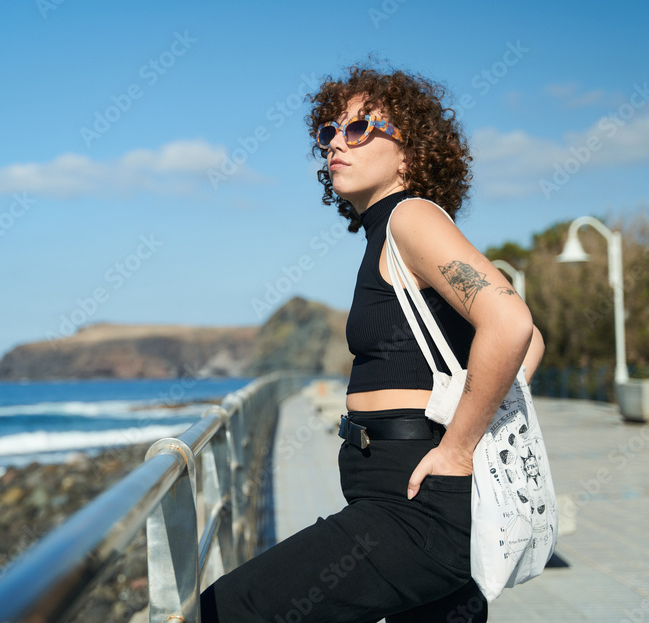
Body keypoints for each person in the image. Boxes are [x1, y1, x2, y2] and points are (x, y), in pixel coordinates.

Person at [199, 60, 546, 622]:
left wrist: (459, 448)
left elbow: (512, 325)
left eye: (361, 129)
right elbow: (531, 347)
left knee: (226, 611)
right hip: (407, 494)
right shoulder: (386, 232)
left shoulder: (411, 218)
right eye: (329, 132)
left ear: (411, 152)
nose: (338, 142)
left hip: (416, 509)